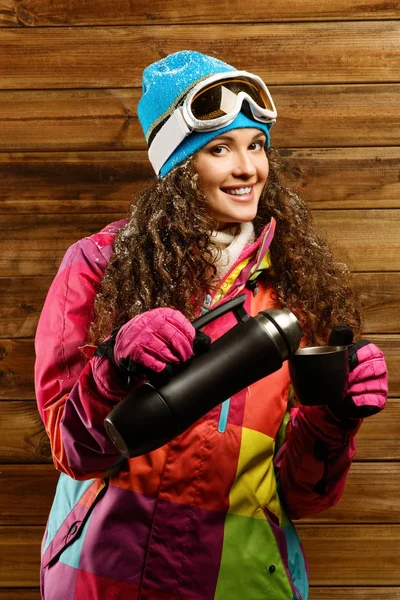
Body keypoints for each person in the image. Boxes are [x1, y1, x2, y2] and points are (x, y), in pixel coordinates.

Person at [35, 51, 388, 600]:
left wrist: (334, 419)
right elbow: (73, 450)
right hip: (106, 578)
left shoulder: (294, 289)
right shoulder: (98, 265)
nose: (247, 169)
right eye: (219, 148)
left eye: (256, 146)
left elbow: (300, 497)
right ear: (176, 167)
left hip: (241, 582)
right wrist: (112, 368)